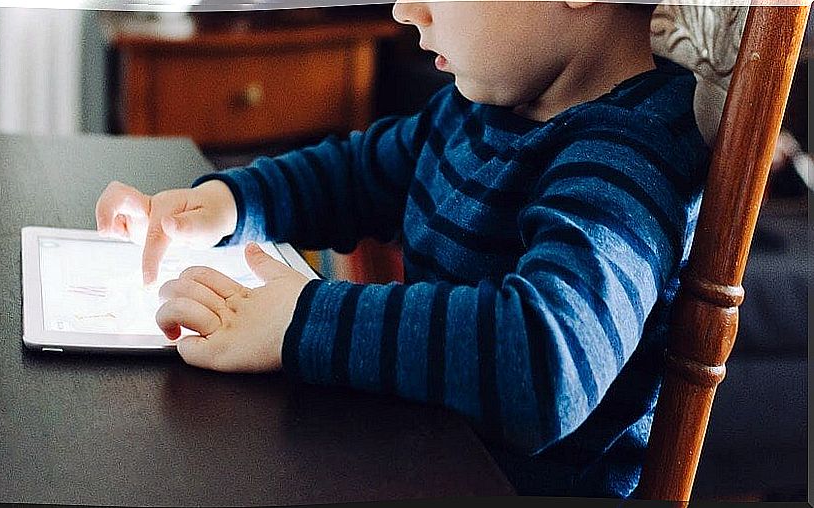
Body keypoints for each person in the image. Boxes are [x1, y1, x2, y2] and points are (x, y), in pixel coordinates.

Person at [95, 1, 709, 498]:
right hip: (421, 452)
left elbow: (547, 363)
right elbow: (358, 174)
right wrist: (232, 204)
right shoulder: (481, 107)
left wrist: (298, 318)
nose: (406, 9)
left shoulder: (631, 154)